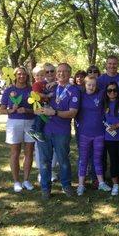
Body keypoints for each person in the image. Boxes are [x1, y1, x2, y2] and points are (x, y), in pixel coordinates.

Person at [36, 63, 81, 199]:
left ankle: (66, 186)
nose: (61, 74)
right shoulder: (51, 87)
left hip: (62, 131)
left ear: (69, 73)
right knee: (44, 161)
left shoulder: (74, 90)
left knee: (63, 160)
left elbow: (72, 113)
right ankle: (45, 188)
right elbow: (37, 98)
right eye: (59, 71)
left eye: (64, 71)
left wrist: (54, 112)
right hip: (45, 129)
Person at [0, 67, 35, 193]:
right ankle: (16, 181)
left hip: (31, 122)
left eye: (24, 74)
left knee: (29, 152)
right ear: (15, 75)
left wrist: (27, 110)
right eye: (19, 74)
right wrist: (12, 110)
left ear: (27, 76)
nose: (22, 76)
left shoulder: (32, 90)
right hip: (14, 123)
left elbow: (38, 109)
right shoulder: (9, 90)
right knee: (15, 153)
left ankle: (26, 180)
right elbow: (2, 109)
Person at [75, 76, 111, 196]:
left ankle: (101, 182)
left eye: (93, 85)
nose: (91, 87)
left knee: (98, 158)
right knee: (83, 159)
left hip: (99, 132)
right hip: (84, 133)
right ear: (84, 85)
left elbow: (113, 95)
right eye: (89, 84)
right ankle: (81, 185)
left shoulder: (101, 94)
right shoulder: (80, 95)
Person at [26, 65, 51, 143]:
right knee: (40, 118)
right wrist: (46, 95)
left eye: (42, 75)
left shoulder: (44, 83)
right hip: (38, 104)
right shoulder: (36, 84)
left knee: (39, 117)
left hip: (42, 103)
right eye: (37, 75)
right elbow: (37, 93)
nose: (40, 77)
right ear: (34, 76)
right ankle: (38, 132)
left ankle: (32, 129)